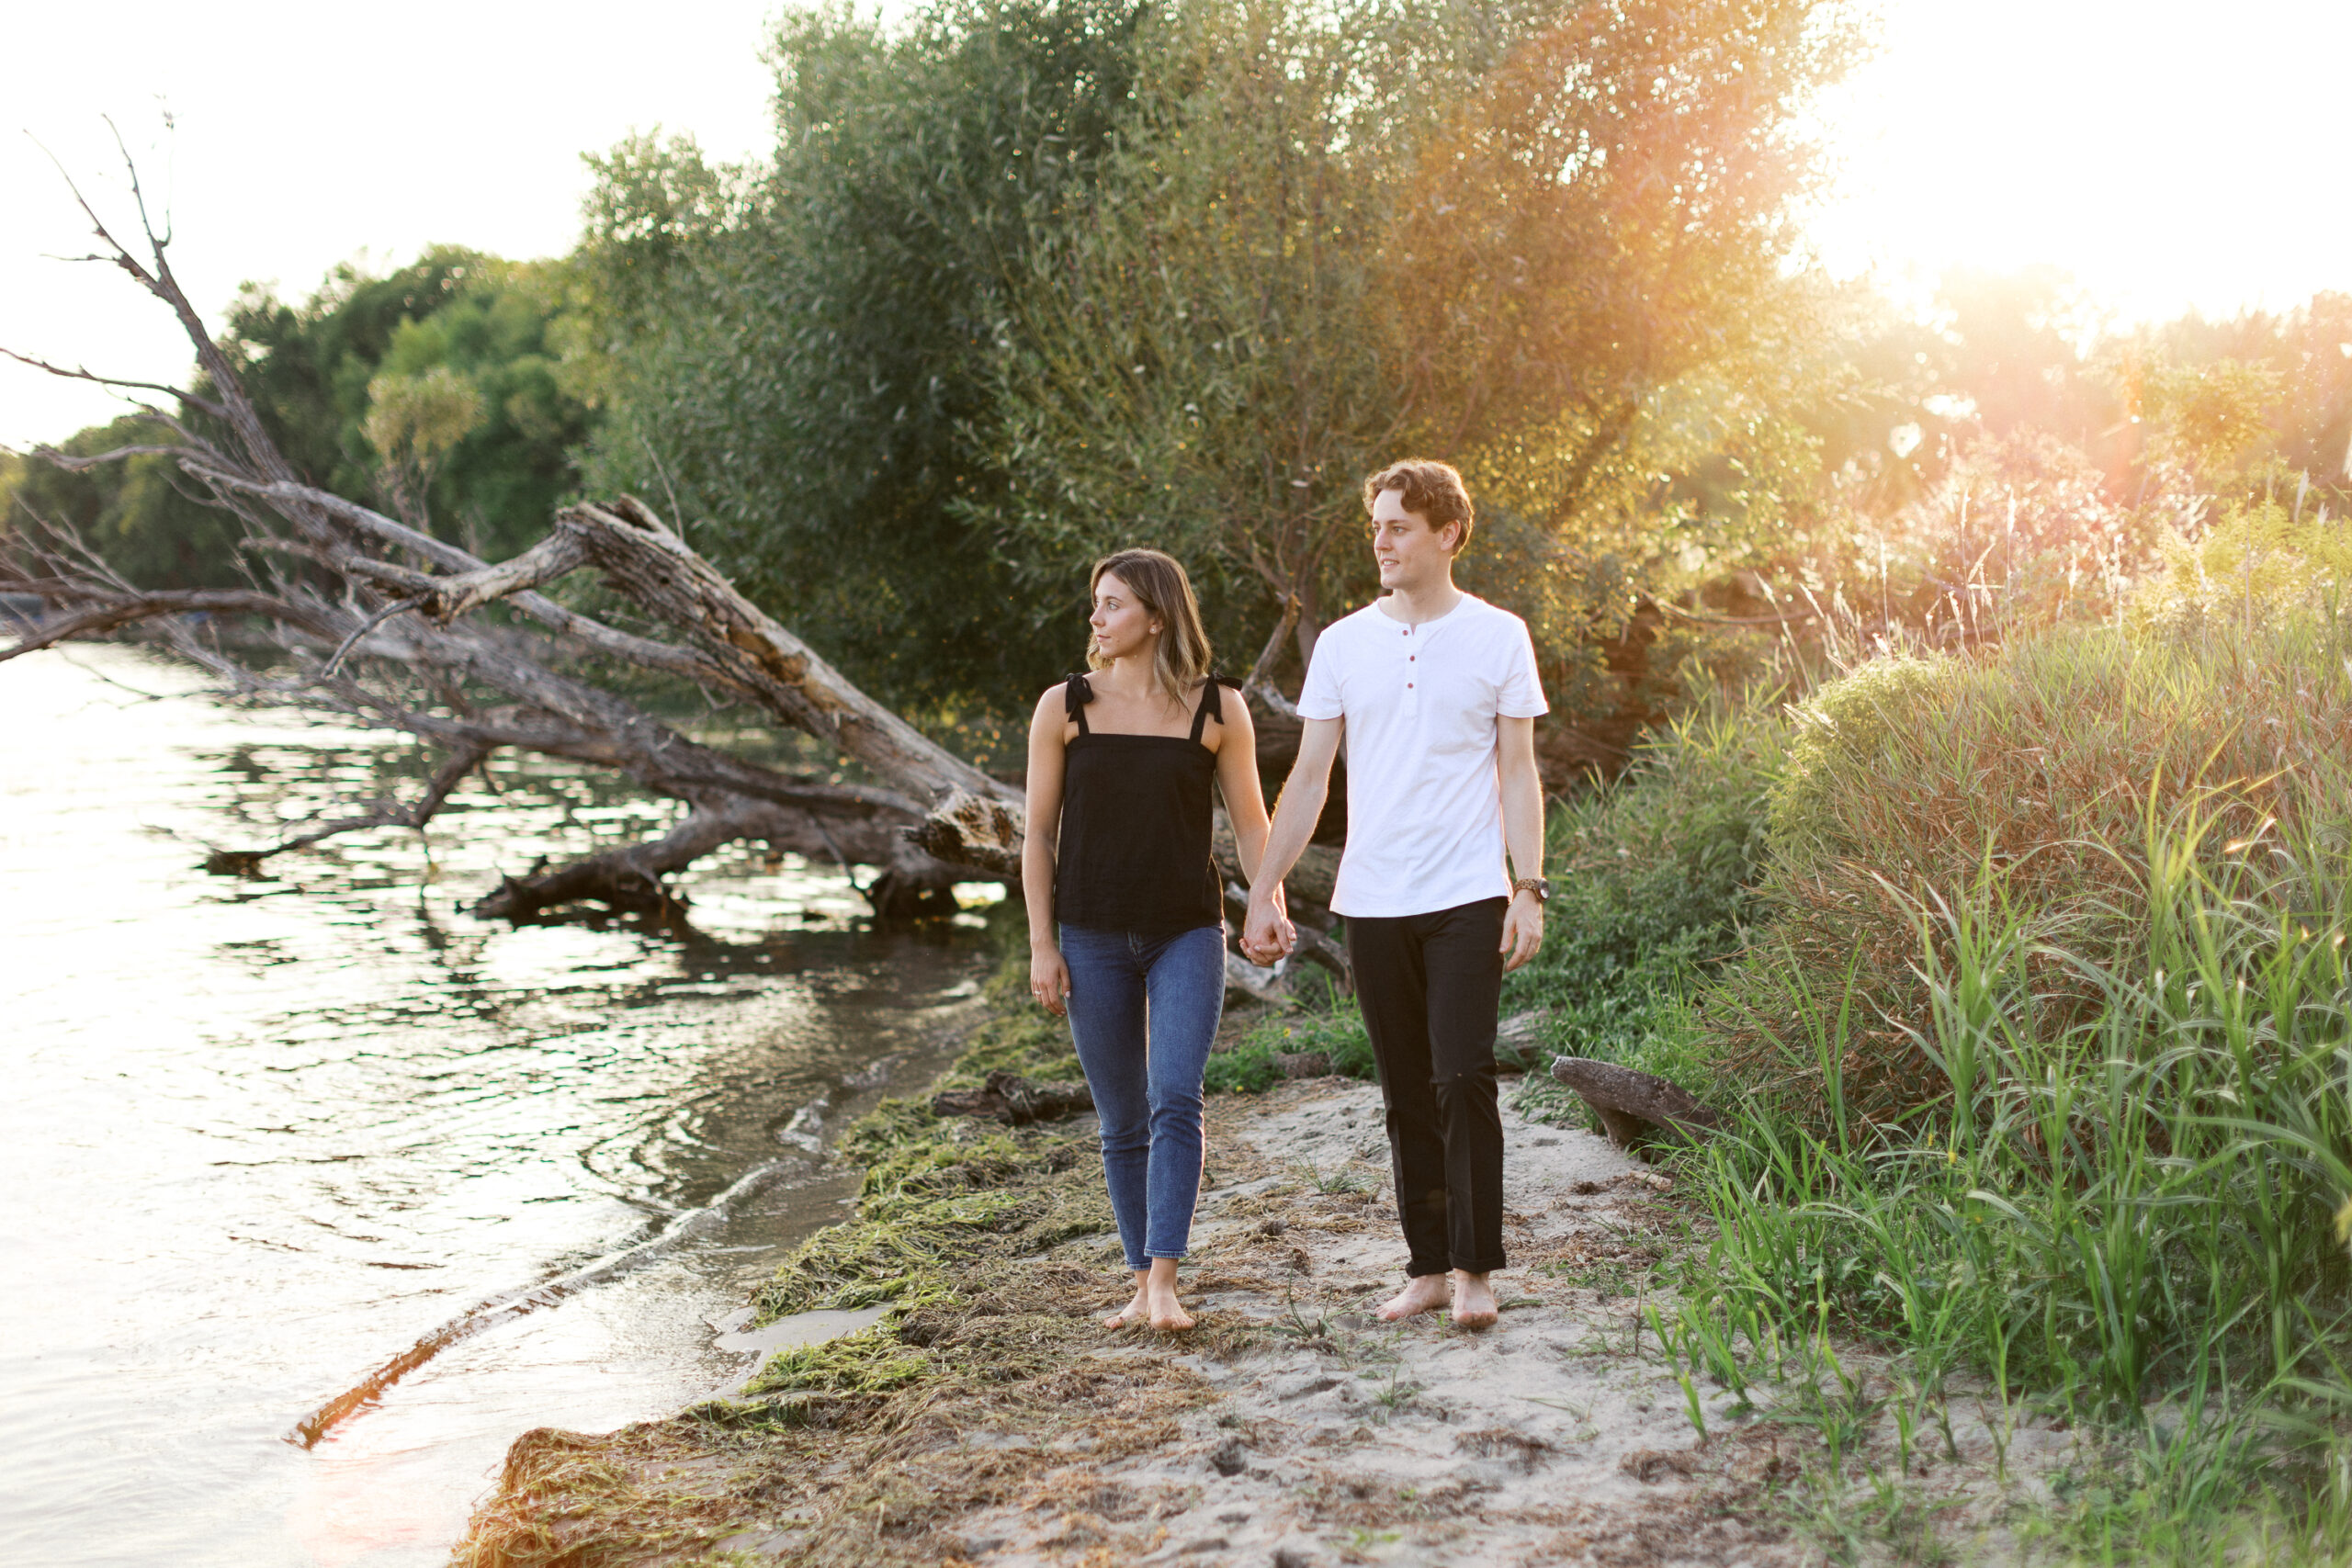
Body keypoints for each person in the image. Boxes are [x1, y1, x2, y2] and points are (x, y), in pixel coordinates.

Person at [1241, 459, 1548, 1330]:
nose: (1380, 539)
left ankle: (1476, 1268)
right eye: (1376, 524)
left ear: (1447, 533)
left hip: (1465, 893)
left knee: (1464, 1075)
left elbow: (1518, 773)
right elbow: (1307, 780)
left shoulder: (1499, 636)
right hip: (1371, 899)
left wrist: (1528, 886)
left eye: (1398, 526)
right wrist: (1264, 889)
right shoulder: (1343, 643)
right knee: (1404, 1087)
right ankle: (1425, 1269)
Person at [1023, 547, 1281, 1332]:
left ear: (1157, 617)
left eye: (1112, 604)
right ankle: (1139, 1280)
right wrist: (1042, 943)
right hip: (1090, 933)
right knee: (1120, 1116)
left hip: (1186, 931)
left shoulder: (1218, 707)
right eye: (1095, 604)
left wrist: (1264, 901)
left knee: (1176, 1093)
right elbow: (1036, 835)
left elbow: (1250, 822)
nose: (1095, 618)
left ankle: (1164, 1282)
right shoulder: (1063, 705)